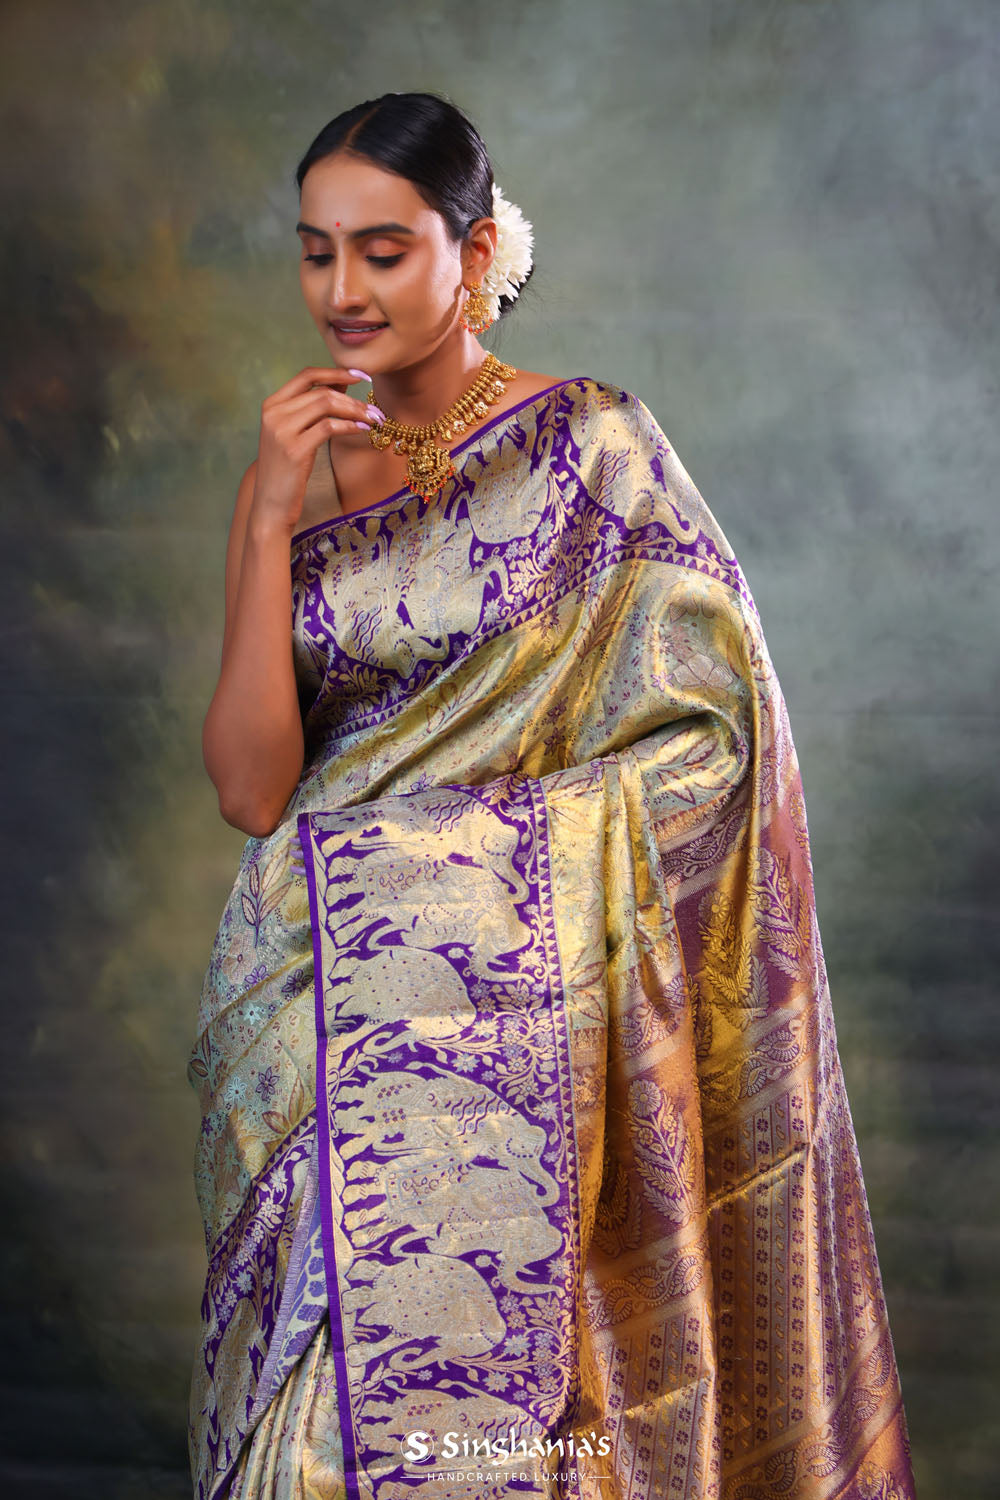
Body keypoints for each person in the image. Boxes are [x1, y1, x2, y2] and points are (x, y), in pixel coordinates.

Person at [186, 92, 916, 1500]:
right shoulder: (290, 480)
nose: (342, 291)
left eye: (383, 250)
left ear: (473, 253)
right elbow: (250, 786)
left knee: (516, 1429)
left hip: (531, 1013)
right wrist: (271, 511)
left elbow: (718, 739)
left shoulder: (593, 446)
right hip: (310, 1004)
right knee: (314, 1438)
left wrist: (465, 868)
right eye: (317, 251)